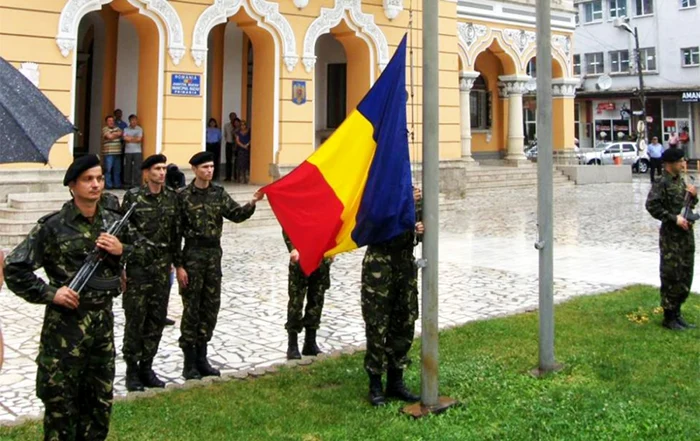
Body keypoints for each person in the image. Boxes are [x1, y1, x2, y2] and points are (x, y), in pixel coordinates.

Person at [3, 155, 137, 440]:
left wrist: (121, 250)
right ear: (72, 185)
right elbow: (14, 268)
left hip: (101, 328)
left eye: (100, 178)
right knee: (61, 409)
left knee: (99, 406)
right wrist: (52, 293)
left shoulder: (113, 222)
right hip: (65, 330)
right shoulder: (53, 226)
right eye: (88, 179)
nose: (96, 185)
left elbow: (148, 253)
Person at [175, 152, 263, 379]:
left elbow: (236, 214)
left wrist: (252, 201)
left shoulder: (218, 193)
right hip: (192, 255)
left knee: (210, 307)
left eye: (212, 167)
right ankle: (189, 362)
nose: (209, 171)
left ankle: (202, 358)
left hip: (213, 255)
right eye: (204, 167)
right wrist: (179, 266)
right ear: (194, 169)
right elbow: (175, 234)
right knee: (191, 308)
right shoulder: (183, 196)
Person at [121, 154, 180, 391]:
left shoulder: (171, 199)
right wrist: (121, 268)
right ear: (147, 173)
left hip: (161, 271)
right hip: (138, 270)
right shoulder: (133, 198)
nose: (162, 173)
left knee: (156, 320)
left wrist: (177, 262)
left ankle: (147, 366)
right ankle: (132, 370)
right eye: (157, 169)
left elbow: (176, 234)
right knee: (135, 320)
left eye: (164, 168)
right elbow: (123, 232)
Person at [361, 187, 424, 407]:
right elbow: (372, 223)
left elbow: (424, 230)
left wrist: (420, 229)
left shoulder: (415, 195)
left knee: (404, 322)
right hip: (380, 264)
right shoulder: (379, 191)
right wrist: (403, 202)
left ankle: (396, 381)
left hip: (405, 264)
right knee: (377, 325)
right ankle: (375, 384)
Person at [645, 148, 697, 331]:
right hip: (671, 237)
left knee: (685, 273)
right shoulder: (662, 182)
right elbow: (652, 205)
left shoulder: (680, 182)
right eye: (681, 161)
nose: (683, 164)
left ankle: (677, 313)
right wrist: (674, 218)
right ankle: (669, 316)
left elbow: (685, 205)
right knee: (671, 274)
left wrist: (693, 196)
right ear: (670, 163)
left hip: (685, 235)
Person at [283, 231, 332, 360]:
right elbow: (287, 221)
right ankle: (292, 344)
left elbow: (333, 222)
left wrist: (333, 248)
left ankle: (310, 342)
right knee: (296, 302)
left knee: (316, 299)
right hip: (300, 256)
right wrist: (292, 247)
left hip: (321, 256)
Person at [122, 114, 144, 189]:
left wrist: (130, 138)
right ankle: (127, 184)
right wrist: (134, 138)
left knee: (137, 168)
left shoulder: (139, 129)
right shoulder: (125, 129)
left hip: (137, 151)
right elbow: (125, 138)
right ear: (129, 121)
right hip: (128, 151)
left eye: (135, 120)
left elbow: (139, 139)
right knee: (127, 168)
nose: (134, 122)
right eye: (132, 120)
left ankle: (137, 184)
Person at [223, 112, 241, 182]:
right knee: (228, 160)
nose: (233, 118)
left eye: (234, 116)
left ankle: (236, 176)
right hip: (229, 144)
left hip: (237, 145)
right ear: (229, 117)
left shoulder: (239, 127)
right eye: (231, 117)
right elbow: (225, 135)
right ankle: (228, 176)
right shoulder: (226, 125)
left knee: (237, 161)